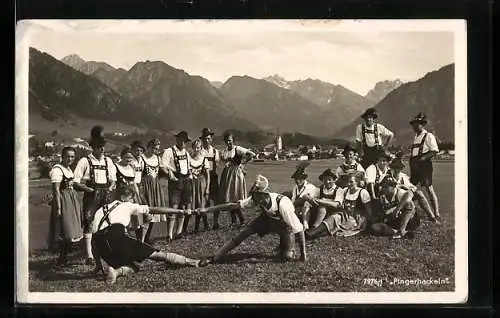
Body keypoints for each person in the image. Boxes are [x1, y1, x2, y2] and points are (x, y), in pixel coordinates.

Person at [90, 188, 200, 285]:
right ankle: (192, 262)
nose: (133, 201)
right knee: (158, 255)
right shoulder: (127, 205)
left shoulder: (100, 210)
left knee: (134, 267)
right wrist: (181, 211)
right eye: (132, 199)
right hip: (117, 237)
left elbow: (93, 241)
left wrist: (98, 264)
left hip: (102, 247)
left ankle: (115, 272)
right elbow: (155, 209)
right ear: (124, 198)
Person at [197, 175, 307, 267]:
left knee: (287, 257)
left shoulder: (283, 204)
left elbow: (299, 229)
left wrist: (303, 254)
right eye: (254, 195)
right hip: (267, 220)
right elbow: (232, 206)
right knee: (243, 233)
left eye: (257, 195)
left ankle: (285, 246)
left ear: (265, 194)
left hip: (285, 226)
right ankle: (215, 257)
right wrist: (207, 210)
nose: (254, 199)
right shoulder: (256, 199)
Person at [73, 126, 117, 266]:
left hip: (105, 193)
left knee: (106, 221)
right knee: (89, 222)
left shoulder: (108, 161)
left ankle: (106, 249)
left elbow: (113, 179)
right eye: (98, 147)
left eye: (103, 146)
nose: (102, 149)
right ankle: (89, 255)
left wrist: (110, 188)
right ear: (92, 147)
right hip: (91, 195)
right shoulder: (85, 161)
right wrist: (89, 190)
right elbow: (75, 182)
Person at [305, 171, 371, 240]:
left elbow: (369, 211)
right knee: (334, 217)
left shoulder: (362, 192)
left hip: (356, 218)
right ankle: (312, 233)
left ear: (357, 182)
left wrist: (365, 222)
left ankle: (312, 234)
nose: (348, 184)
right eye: (348, 182)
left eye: (351, 182)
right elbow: (338, 203)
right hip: (345, 215)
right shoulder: (345, 190)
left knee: (337, 222)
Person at [47, 147, 83, 266]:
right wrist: (58, 207)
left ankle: (64, 258)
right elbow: (56, 190)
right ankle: (62, 259)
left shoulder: (68, 169)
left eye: (72, 156)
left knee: (71, 230)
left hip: (71, 199)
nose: (70, 159)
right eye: (67, 156)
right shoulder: (57, 169)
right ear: (62, 156)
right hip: (63, 200)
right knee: (65, 229)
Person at [216, 132, 256, 229]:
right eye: (226, 140)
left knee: (235, 198)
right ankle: (235, 221)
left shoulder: (237, 149)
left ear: (233, 140)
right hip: (227, 175)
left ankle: (241, 219)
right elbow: (223, 159)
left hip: (236, 175)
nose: (228, 142)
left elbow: (252, 154)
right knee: (229, 198)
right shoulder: (225, 151)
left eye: (230, 140)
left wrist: (243, 163)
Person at [388, 153, 439, 223]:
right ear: (392, 167)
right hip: (391, 198)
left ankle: (432, 216)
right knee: (409, 194)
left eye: (399, 168)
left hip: (402, 197)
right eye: (395, 167)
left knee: (419, 193)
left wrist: (405, 187)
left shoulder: (403, 176)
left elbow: (413, 188)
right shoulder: (387, 175)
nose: (397, 170)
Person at [161, 131, 193, 240]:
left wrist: (190, 175)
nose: (184, 143)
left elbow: (189, 166)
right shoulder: (169, 151)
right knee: (174, 206)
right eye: (183, 140)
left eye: (186, 141)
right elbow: (163, 166)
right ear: (178, 139)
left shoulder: (186, 152)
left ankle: (178, 232)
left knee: (183, 206)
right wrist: (169, 173)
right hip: (175, 179)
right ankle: (169, 234)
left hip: (185, 180)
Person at [409, 113, 440, 220]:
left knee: (429, 188)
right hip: (414, 165)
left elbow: (434, 150)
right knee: (411, 188)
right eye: (413, 125)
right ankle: (410, 209)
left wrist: (422, 159)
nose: (415, 126)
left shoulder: (429, 136)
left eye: (417, 124)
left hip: (424, 165)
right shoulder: (416, 136)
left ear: (422, 125)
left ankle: (436, 213)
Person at [140, 138, 167, 244]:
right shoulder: (142, 158)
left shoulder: (157, 158)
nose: (155, 151)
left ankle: (148, 237)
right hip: (145, 187)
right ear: (148, 147)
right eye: (154, 148)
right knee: (144, 212)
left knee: (154, 212)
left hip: (155, 187)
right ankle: (141, 237)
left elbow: (163, 170)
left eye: (157, 149)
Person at [185, 139, 210, 233]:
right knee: (191, 204)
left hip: (201, 183)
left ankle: (199, 226)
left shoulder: (204, 159)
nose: (196, 149)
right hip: (192, 184)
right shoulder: (189, 159)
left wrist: (207, 188)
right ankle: (185, 229)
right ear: (192, 148)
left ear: (201, 148)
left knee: (201, 203)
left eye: (198, 147)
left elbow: (208, 175)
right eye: (195, 147)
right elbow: (188, 171)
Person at [200, 128, 221, 229]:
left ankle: (215, 222)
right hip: (203, 177)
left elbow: (217, 164)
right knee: (203, 200)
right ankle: (206, 223)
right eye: (204, 139)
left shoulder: (215, 151)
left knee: (216, 200)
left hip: (213, 177)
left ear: (211, 139)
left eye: (208, 139)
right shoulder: (199, 151)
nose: (206, 141)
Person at [290, 162, 319, 230]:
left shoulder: (310, 187)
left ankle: (305, 225)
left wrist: (297, 202)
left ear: (304, 179)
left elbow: (307, 200)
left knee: (305, 204)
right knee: (297, 208)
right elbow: (294, 201)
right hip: (300, 206)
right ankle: (296, 226)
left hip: (312, 207)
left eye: (300, 179)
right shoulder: (295, 187)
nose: (297, 181)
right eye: (296, 179)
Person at [129, 140, 147, 240]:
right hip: (132, 187)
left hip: (140, 186)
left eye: (140, 150)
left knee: (142, 211)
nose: (138, 152)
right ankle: (133, 236)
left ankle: (141, 238)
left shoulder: (141, 161)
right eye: (136, 150)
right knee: (135, 212)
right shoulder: (131, 160)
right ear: (132, 150)